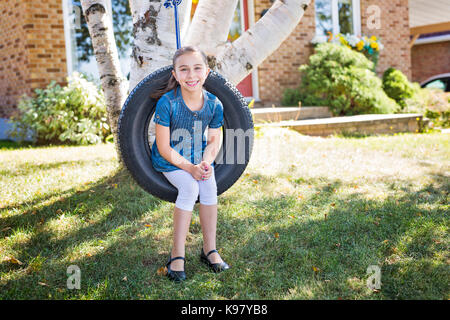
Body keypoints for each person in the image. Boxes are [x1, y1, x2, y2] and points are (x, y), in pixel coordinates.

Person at [151, 46, 230, 282]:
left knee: (209, 187)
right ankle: (177, 255)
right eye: (183, 70)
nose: (191, 75)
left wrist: (206, 162)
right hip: (171, 161)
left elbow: (214, 139)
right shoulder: (167, 103)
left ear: (206, 72)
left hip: (198, 157)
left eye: (197, 68)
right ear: (175, 74)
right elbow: (164, 148)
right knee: (190, 188)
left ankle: (210, 250)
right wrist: (191, 169)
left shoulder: (214, 104)